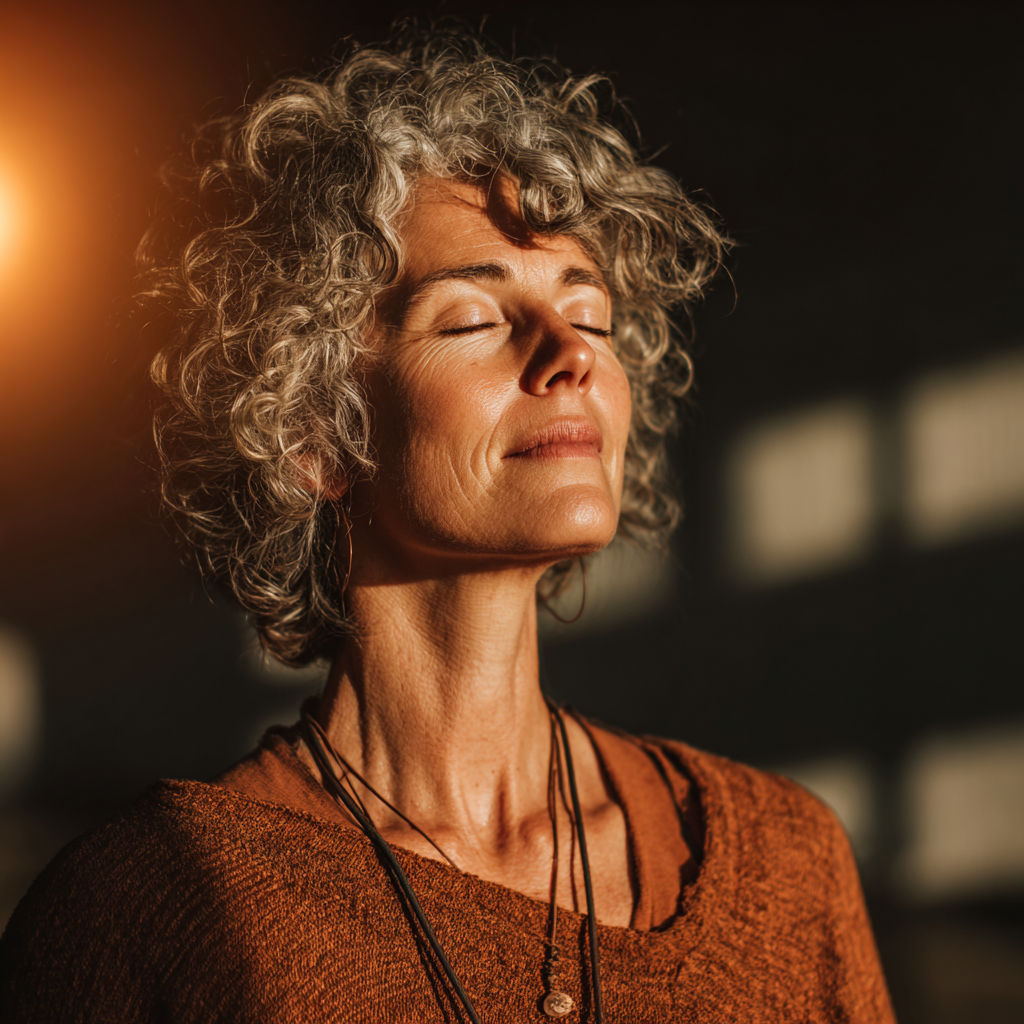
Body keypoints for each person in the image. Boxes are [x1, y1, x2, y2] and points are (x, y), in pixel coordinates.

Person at [0, 29, 896, 1023]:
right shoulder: (146, 910)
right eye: (472, 320)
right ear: (313, 434)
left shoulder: (785, 864)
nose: (569, 355)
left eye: (589, 314)